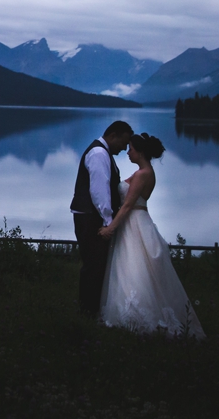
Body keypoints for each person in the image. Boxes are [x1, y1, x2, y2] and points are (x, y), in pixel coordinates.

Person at [100, 132, 206, 339]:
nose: (128, 152)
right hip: (139, 220)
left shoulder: (142, 174)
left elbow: (128, 205)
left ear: (140, 151)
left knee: (134, 266)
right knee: (132, 266)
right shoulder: (146, 171)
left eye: (130, 149)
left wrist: (111, 227)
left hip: (134, 222)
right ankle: (132, 315)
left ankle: (137, 318)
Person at [72, 120, 132, 320]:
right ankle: (88, 312)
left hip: (89, 216)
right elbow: (99, 190)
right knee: (94, 266)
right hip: (92, 218)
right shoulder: (99, 154)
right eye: (123, 143)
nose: (124, 148)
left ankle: (89, 310)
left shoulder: (101, 152)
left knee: (96, 264)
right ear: (113, 135)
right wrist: (108, 221)